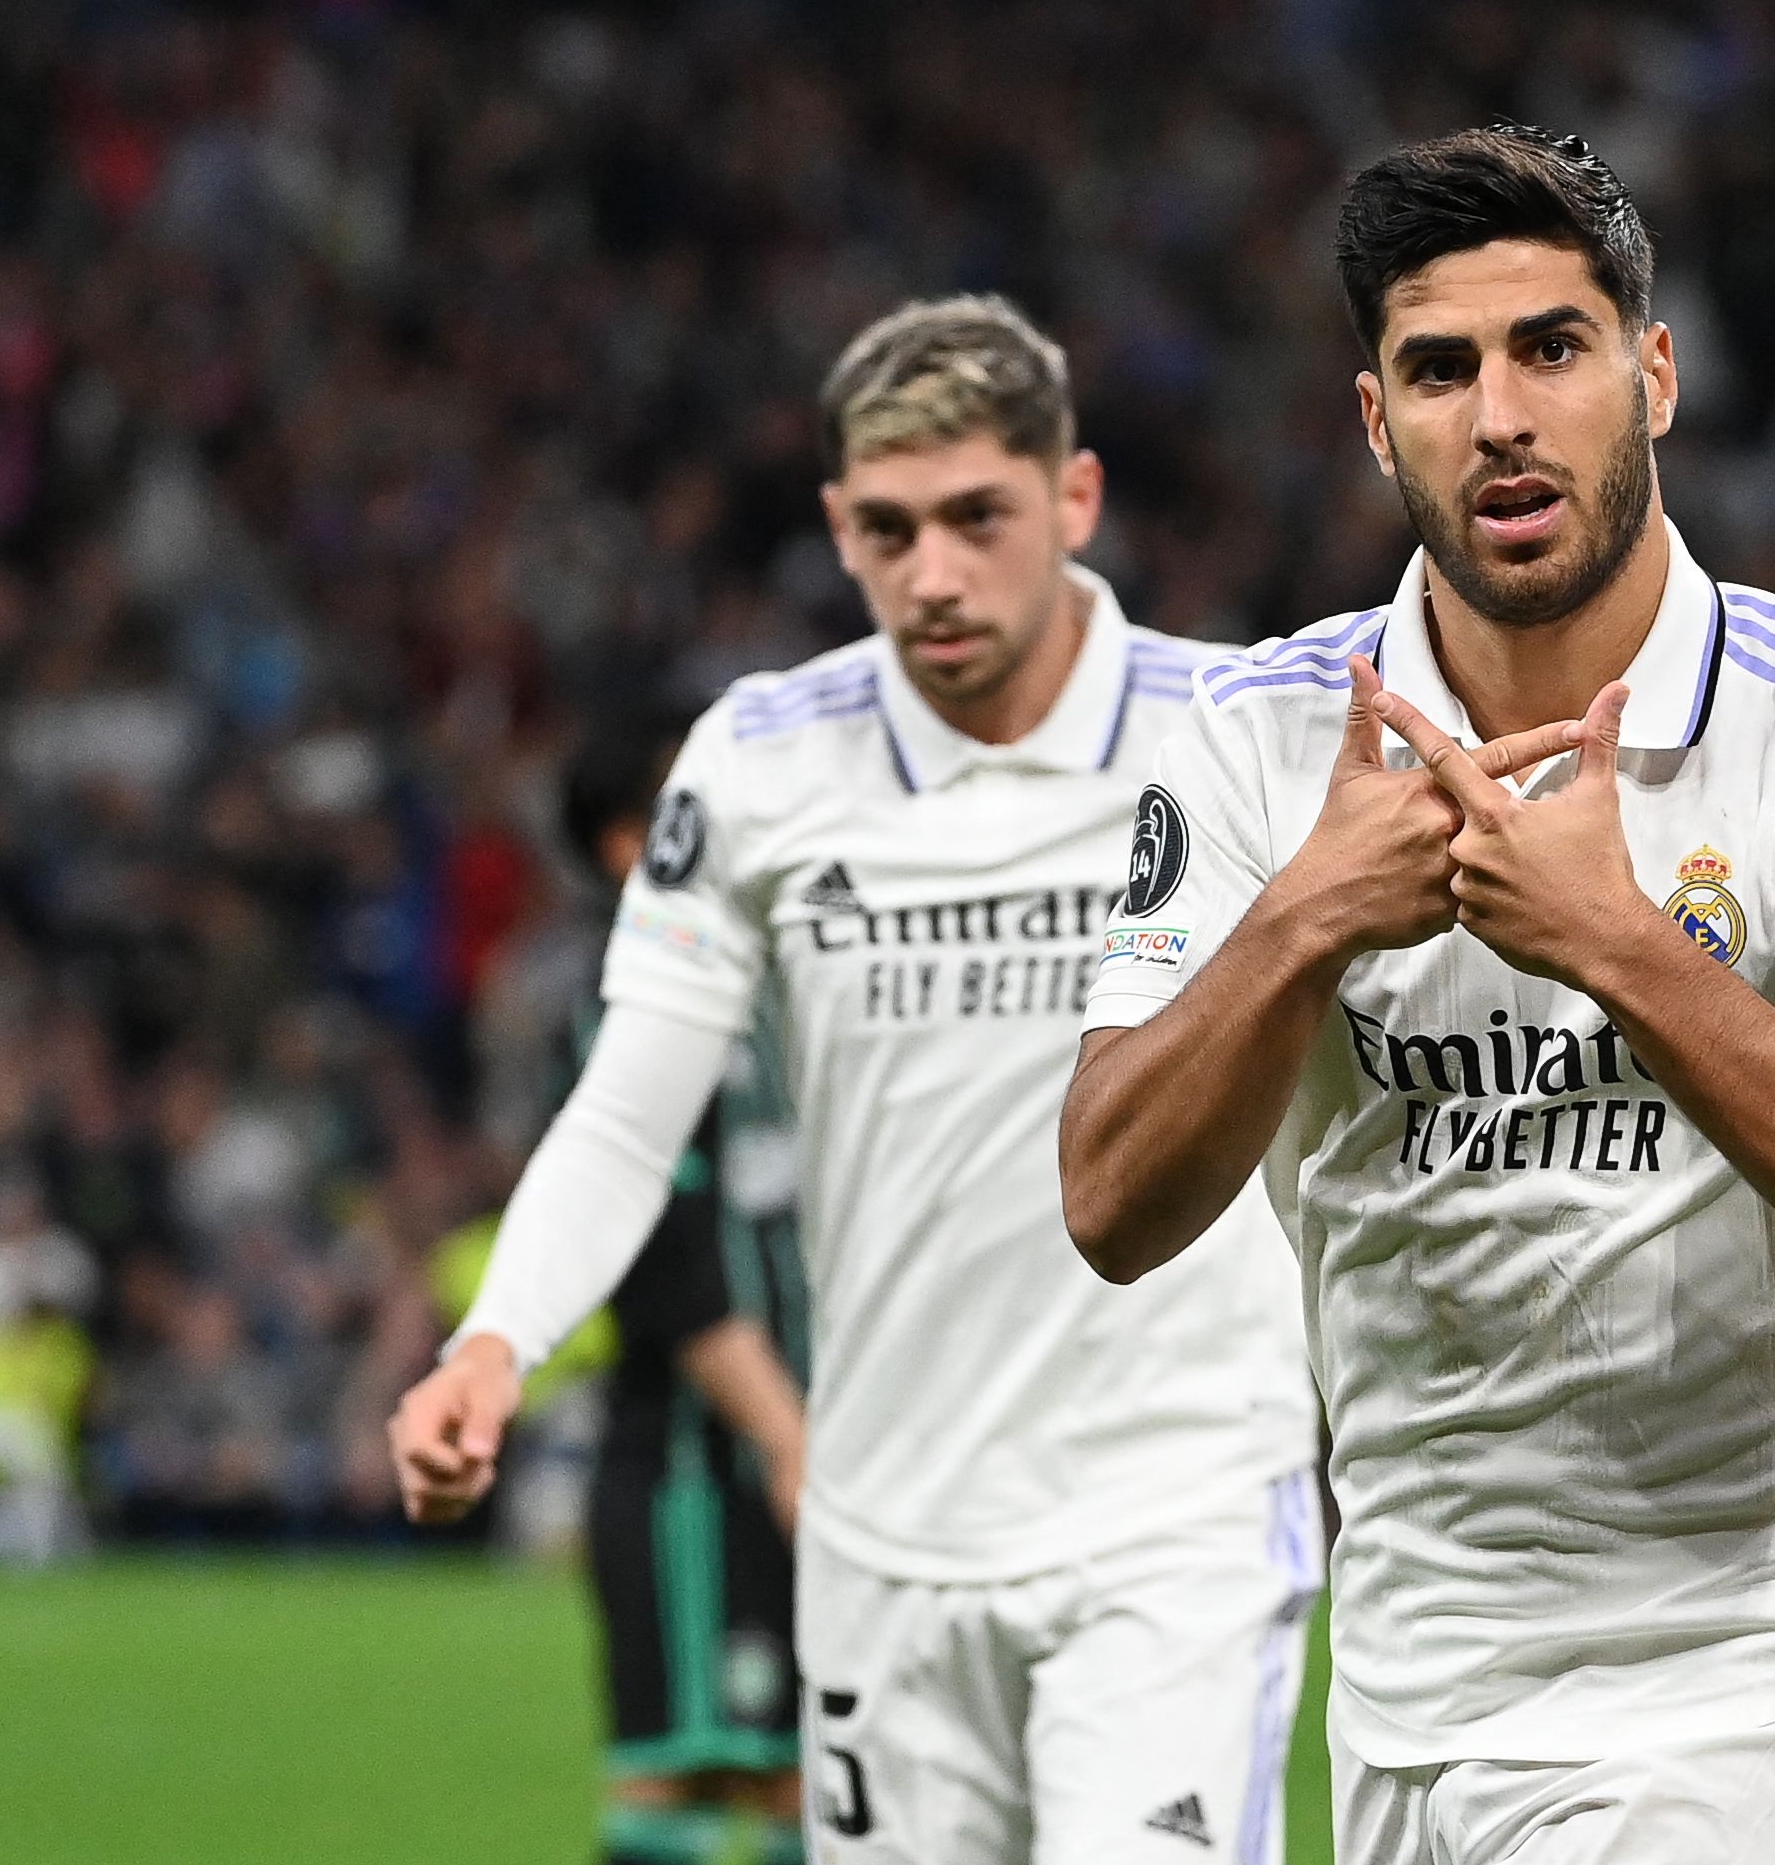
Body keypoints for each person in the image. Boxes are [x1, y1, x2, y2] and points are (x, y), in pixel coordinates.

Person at [1058, 126, 1775, 1865]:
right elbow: (1111, 1200)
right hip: (1416, 1703)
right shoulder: (1256, 745)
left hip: (1752, 1682)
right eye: (1440, 368)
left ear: (1651, 376)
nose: (1497, 413)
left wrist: (1622, 947)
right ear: (1375, 421)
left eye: (1550, 350)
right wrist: (1302, 923)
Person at [387, 296, 1320, 1865]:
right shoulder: (758, 761)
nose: (933, 575)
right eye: (887, 531)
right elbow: (626, 1112)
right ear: (836, 526)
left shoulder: (1241, 731)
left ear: (1074, 500)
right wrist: (495, 1344)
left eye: (978, 519)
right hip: (883, 1531)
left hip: (1177, 1514)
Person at [553, 713, 816, 1865]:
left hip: (821, 1452)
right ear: (628, 845)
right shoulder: (622, 1011)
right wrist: (788, 1439)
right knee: (692, 1779)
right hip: (695, 1479)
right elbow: (663, 1261)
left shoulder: (781, 987)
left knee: (817, 1776)